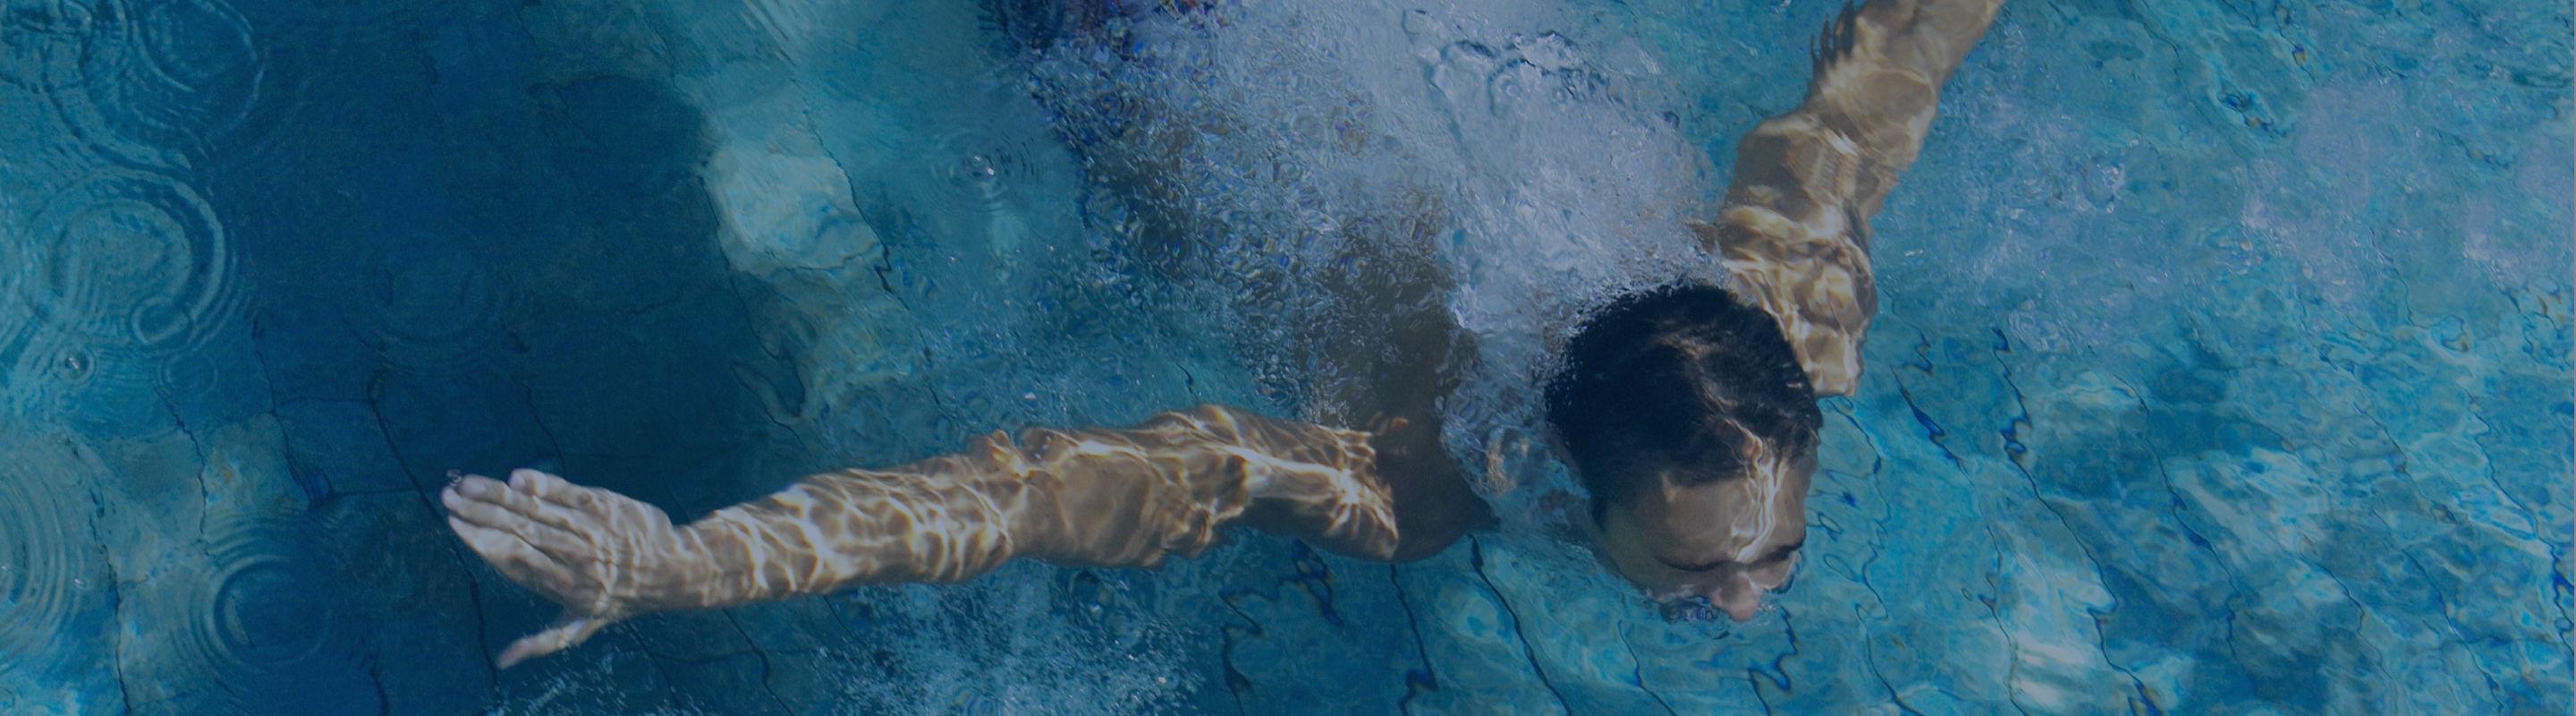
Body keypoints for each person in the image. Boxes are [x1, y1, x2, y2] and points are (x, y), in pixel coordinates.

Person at [441, 0, 2004, 669]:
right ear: (1571, 491)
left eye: (1774, 555)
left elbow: (1891, 61)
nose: (1741, 606)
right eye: (1698, 571)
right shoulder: (1412, 485)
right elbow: (1037, 490)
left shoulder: (1788, 316)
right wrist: (690, 562)